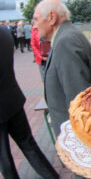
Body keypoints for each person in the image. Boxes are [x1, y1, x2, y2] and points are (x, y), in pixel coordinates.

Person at [32, 0, 91, 138]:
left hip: (74, 134)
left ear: (52, 17)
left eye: (36, 19)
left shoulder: (65, 41)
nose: (34, 26)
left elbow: (79, 99)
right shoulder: (65, 36)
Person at [0, 25, 59, 179]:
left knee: (4, 158)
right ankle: (51, 176)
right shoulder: (4, 32)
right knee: (29, 145)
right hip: (13, 100)